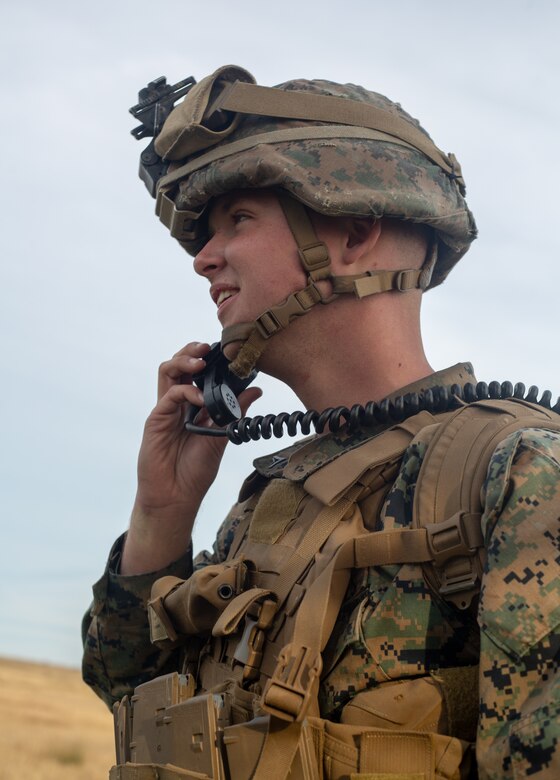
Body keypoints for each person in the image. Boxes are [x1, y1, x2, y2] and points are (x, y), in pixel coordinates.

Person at [82, 65, 560, 779]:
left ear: (356, 231)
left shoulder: (518, 471)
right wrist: (161, 513)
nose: (204, 260)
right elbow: (133, 694)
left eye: (237, 220)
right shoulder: (277, 497)